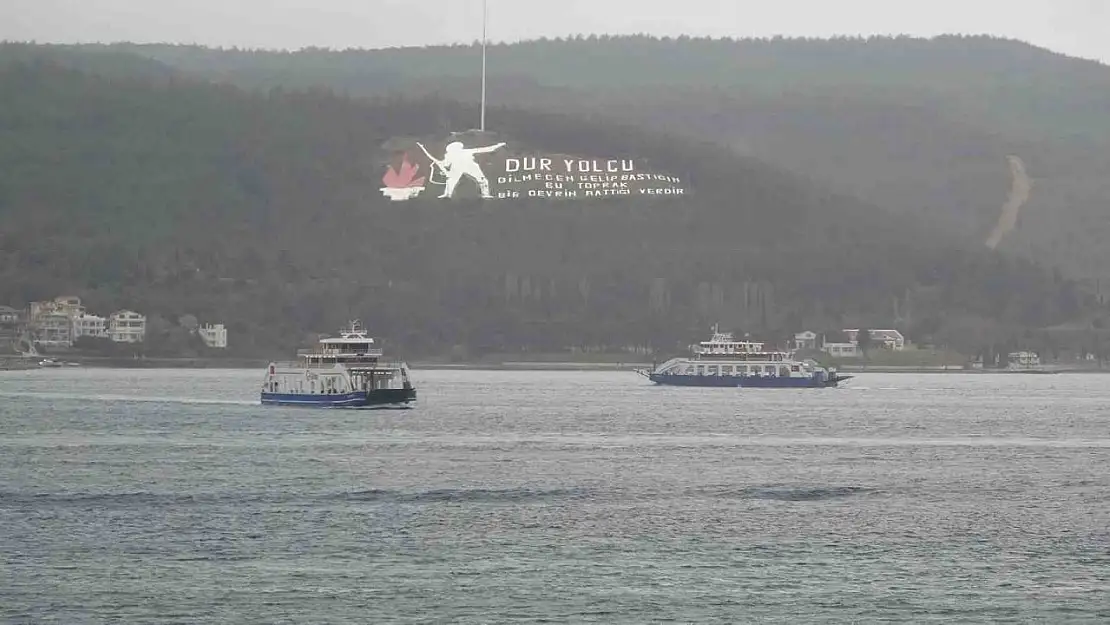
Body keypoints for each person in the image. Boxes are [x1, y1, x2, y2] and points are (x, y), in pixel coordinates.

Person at [424, 141, 506, 199]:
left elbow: (484, 149)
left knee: (482, 180)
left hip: (470, 166)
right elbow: (445, 164)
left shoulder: (466, 152)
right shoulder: (449, 155)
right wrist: (440, 163)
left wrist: (497, 146)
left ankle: (485, 194)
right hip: (457, 167)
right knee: (451, 181)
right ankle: (447, 194)